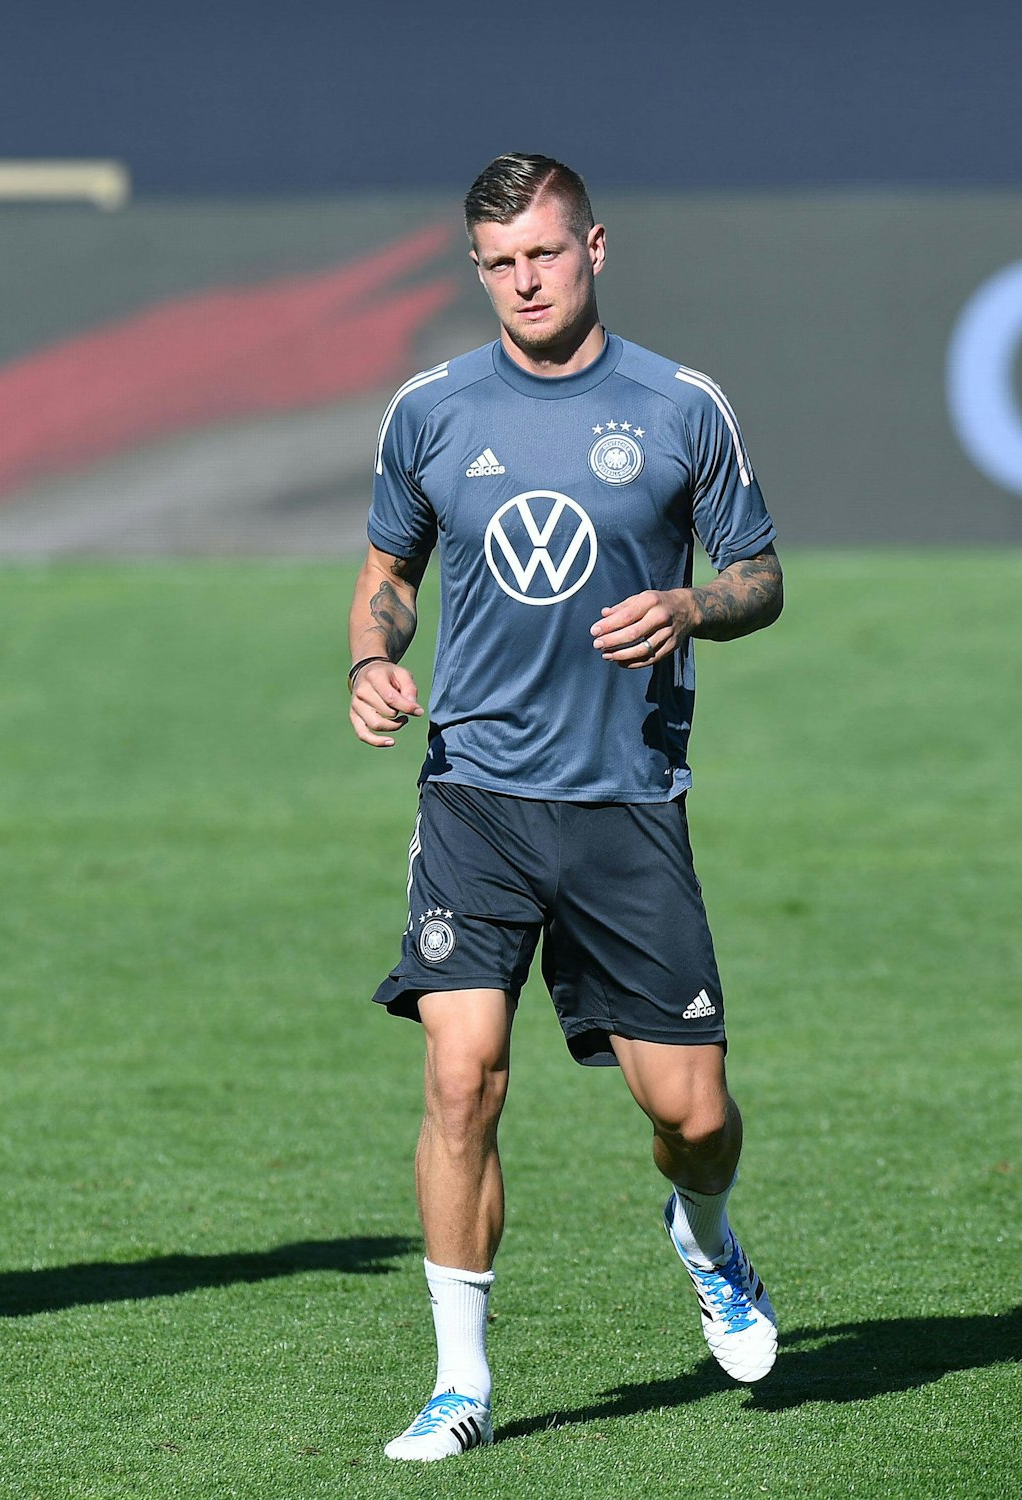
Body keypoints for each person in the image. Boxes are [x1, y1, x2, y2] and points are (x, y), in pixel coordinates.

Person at [347, 153, 784, 1461]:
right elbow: (387, 566)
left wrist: (693, 604)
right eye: (499, 263)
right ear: (476, 268)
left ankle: (704, 1237)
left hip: (625, 805)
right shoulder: (428, 411)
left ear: (596, 246)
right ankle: (458, 1382)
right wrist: (375, 656)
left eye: (544, 253)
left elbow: (760, 575)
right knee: (459, 1076)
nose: (524, 281)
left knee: (692, 1114)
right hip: (476, 795)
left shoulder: (681, 406)